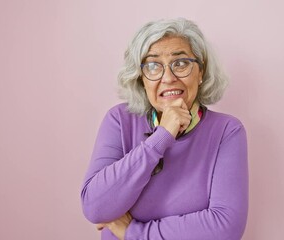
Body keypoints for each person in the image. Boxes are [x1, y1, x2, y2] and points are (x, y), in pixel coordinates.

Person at [81, 18, 248, 240]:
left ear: (200, 72)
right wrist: (161, 137)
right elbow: (96, 208)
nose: (168, 78)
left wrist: (134, 232)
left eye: (180, 63)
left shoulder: (227, 131)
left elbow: (225, 227)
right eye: (152, 66)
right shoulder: (119, 120)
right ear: (141, 78)